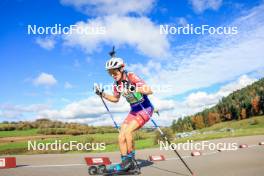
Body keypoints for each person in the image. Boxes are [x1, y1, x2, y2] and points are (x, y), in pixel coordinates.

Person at [95, 56, 154, 172]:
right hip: (134, 111)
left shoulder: (131, 76)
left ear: (121, 68)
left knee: (128, 131)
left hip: (145, 108)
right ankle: (124, 163)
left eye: (114, 71)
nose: (112, 75)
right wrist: (102, 94)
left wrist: (134, 88)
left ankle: (130, 161)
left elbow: (149, 90)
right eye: (109, 73)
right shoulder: (116, 85)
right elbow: (115, 99)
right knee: (121, 136)